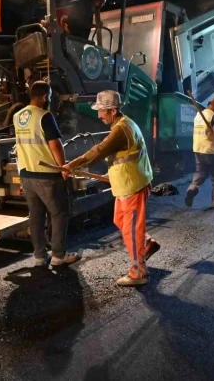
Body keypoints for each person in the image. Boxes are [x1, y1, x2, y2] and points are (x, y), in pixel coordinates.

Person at [65, 90, 160, 287]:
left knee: (131, 229)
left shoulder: (121, 129)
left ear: (113, 110)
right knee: (120, 219)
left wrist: (72, 164)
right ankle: (147, 244)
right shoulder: (123, 124)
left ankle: (138, 272)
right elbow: (124, 157)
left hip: (132, 186)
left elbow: (99, 150)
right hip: (126, 183)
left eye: (102, 110)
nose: (99, 115)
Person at [13, 81, 80, 268]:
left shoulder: (17, 116)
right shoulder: (45, 116)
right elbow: (56, 145)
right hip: (47, 175)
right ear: (45, 97)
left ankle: (40, 257)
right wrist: (64, 168)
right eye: (49, 96)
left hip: (27, 174)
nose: (49, 99)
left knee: (35, 216)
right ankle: (59, 256)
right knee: (59, 214)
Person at [185, 97, 214, 209]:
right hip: (212, 151)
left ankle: (192, 188)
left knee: (200, 173)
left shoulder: (198, 115)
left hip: (198, 150)